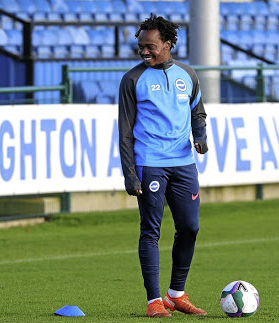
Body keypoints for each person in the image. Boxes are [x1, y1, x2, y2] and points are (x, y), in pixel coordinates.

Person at [118, 14, 209, 318]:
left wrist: (200, 137)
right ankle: (154, 301)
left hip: (184, 164)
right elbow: (125, 131)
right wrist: (130, 174)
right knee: (150, 231)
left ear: (168, 44)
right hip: (150, 164)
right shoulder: (132, 80)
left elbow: (198, 112)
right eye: (141, 46)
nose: (144, 51)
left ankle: (177, 294)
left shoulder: (188, 75)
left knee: (190, 227)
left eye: (150, 46)